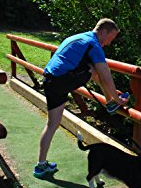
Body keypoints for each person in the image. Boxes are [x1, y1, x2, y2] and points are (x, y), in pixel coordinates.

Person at [34, 18, 128, 178]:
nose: (109, 43)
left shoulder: (78, 37)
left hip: (50, 80)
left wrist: (112, 93)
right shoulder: (94, 45)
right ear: (104, 31)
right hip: (61, 81)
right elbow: (106, 76)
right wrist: (118, 100)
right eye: (110, 38)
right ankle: (111, 103)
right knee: (93, 68)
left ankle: (41, 166)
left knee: (52, 124)